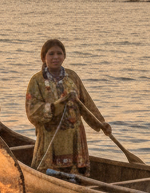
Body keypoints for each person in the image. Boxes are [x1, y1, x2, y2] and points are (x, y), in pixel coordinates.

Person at [25, 39, 111, 175]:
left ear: (64, 56)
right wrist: (56, 105)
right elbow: (32, 110)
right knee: (48, 171)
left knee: (76, 173)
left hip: (74, 134)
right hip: (50, 135)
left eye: (59, 53)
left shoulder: (72, 77)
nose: (55, 57)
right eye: (51, 54)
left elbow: (86, 103)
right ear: (43, 57)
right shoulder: (37, 81)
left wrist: (100, 123)